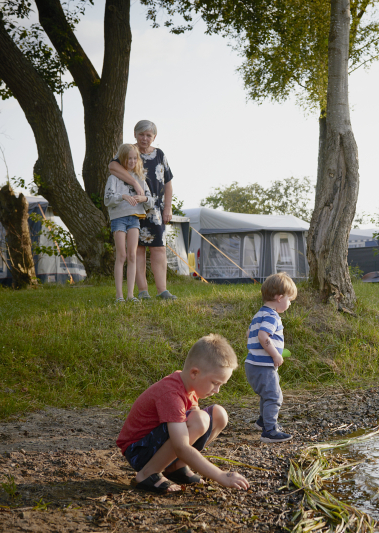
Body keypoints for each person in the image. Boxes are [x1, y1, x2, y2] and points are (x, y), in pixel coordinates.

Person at [116, 334, 250, 493]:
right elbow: (181, 446)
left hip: (154, 445)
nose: (217, 390)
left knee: (219, 415)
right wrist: (220, 475)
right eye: (215, 383)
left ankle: (175, 467)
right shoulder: (171, 394)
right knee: (199, 420)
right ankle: (148, 473)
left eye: (221, 385)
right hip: (139, 451)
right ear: (194, 373)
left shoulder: (188, 384)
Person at [109, 120, 178, 300]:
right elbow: (112, 166)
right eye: (141, 134)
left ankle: (162, 290)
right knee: (138, 250)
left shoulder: (160, 154)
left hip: (156, 209)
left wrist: (168, 207)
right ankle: (143, 291)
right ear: (135, 135)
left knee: (159, 248)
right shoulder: (129, 152)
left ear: (154, 137)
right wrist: (134, 183)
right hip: (133, 208)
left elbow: (168, 183)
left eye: (148, 135)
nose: (144, 138)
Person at [245, 272, 297, 443]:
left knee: (266, 395)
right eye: (289, 299)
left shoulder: (259, 314)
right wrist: (275, 354)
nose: (290, 303)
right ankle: (269, 431)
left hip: (252, 364)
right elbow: (262, 336)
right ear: (279, 297)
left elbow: (249, 333)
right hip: (263, 366)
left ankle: (263, 421)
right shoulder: (272, 316)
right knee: (274, 396)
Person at [104, 143, 155, 303]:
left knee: (132, 255)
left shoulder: (140, 179)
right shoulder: (113, 178)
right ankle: (119, 295)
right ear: (121, 159)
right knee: (122, 255)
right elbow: (107, 199)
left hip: (134, 219)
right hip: (118, 218)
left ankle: (130, 295)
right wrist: (123, 196)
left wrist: (143, 198)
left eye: (134, 158)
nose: (132, 161)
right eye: (128, 159)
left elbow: (151, 201)